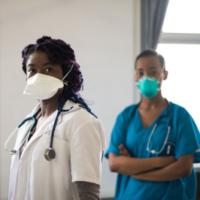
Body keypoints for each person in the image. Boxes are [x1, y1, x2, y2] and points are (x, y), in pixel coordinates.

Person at [6, 36, 106, 200]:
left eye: (48, 69)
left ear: (66, 73)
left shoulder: (81, 122)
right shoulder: (29, 121)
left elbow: (89, 194)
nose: (38, 76)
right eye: (32, 70)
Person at [105, 49, 200, 200]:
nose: (146, 77)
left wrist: (132, 167)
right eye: (140, 72)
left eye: (153, 72)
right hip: (130, 195)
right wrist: (162, 161)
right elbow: (114, 164)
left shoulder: (180, 116)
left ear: (165, 74)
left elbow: (183, 168)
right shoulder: (126, 117)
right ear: (135, 76)